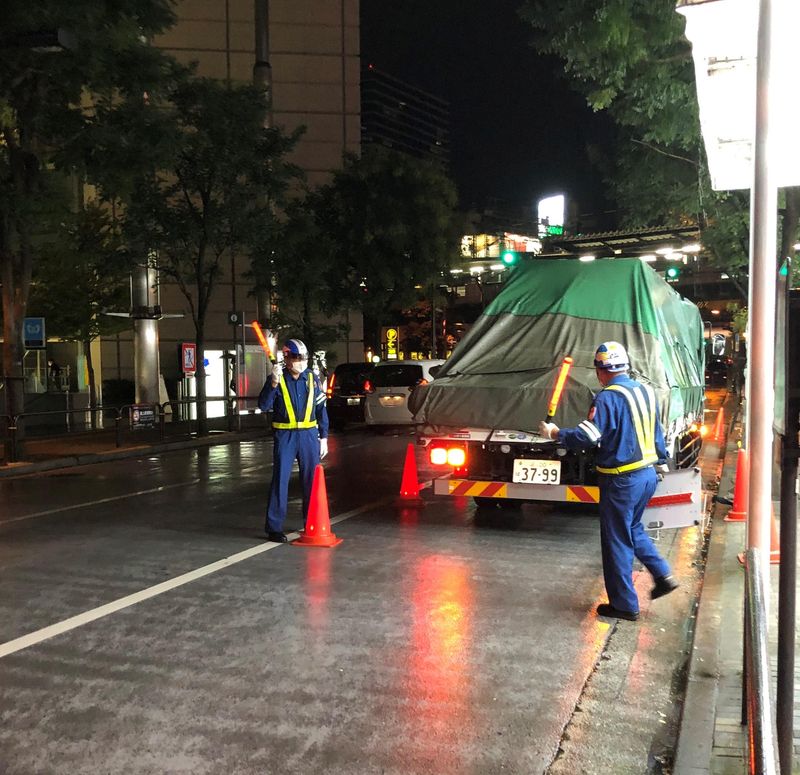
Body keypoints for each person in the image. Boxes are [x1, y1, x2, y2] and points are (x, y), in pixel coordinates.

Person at [538, 341, 679, 622]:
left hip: (621, 480)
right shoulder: (646, 392)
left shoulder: (608, 398)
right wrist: (660, 460)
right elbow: (657, 432)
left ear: (601, 371)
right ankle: (663, 574)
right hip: (646, 475)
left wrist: (555, 433)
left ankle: (625, 605)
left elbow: (588, 437)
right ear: (625, 366)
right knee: (633, 529)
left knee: (616, 541)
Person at [258, 338, 329, 543]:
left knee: (312, 481)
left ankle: (311, 521)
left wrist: (324, 436)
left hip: (308, 436)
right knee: (280, 480)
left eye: (303, 358)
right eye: (297, 357)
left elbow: (320, 408)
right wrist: (272, 383)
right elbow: (263, 405)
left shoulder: (312, 378)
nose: (301, 361)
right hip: (285, 436)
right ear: (287, 359)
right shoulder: (278, 378)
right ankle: (274, 527)